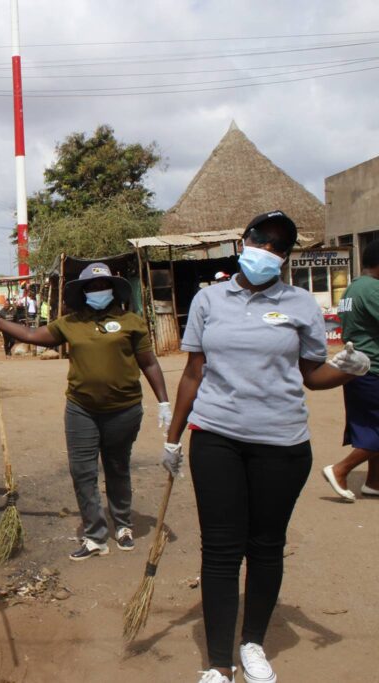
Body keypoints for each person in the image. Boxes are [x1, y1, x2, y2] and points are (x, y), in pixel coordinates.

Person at [161, 211, 371, 683]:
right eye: (261, 240)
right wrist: (172, 438)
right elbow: (193, 373)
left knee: (266, 546)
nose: (267, 251)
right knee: (220, 550)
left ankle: (252, 642)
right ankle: (219, 663)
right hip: (216, 437)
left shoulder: (300, 304)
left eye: (279, 246)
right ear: (244, 241)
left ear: (286, 256)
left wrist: (348, 370)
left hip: (282, 443)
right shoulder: (209, 299)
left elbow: (313, 375)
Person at [0, 262, 171, 560]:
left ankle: (123, 524)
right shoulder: (70, 323)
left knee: (117, 467)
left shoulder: (131, 322)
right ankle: (95, 536)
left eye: (103, 285)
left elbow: (149, 363)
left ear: (113, 289)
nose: (98, 290)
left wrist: (164, 402)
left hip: (124, 409)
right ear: (82, 292)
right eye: (91, 287)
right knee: (82, 472)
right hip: (82, 410)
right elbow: (32, 334)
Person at [322, 239, 379, 501]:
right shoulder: (372, 289)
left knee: (371, 426)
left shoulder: (353, 288)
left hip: (358, 369)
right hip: (374, 368)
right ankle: (341, 469)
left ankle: (374, 482)